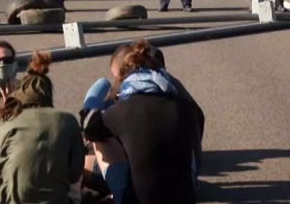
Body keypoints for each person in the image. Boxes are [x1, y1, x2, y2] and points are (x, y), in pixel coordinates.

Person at [81, 39, 204, 204]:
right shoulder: (183, 105)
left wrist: (95, 102)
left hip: (137, 199)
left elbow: (89, 130)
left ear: (123, 77)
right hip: (186, 197)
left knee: (99, 139)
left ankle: (116, 196)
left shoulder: (122, 111)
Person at [0, 51, 85, 204]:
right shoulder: (67, 121)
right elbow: (75, 174)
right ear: (47, 95)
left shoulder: (5, 121)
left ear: (20, 95)